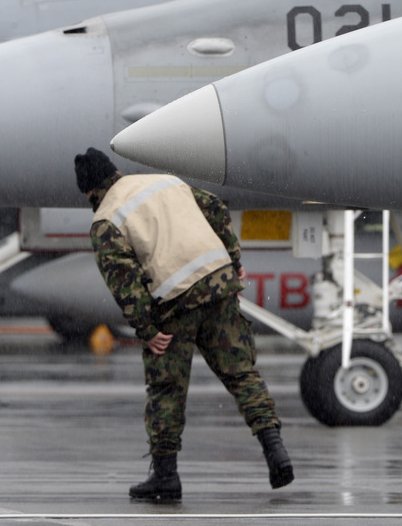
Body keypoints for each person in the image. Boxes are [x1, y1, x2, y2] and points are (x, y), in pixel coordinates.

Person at [75, 147, 293, 502]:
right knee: (241, 373)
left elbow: (124, 283)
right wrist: (233, 258)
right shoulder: (166, 181)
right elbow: (217, 209)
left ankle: (166, 477)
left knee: (167, 390)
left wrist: (147, 331)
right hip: (219, 283)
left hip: (175, 301)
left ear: (89, 191)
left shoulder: (106, 218)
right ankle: (275, 450)